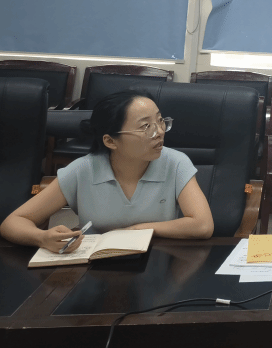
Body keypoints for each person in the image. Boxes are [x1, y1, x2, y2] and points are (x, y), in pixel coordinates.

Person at [0, 90, 214, 253]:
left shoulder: (175, 163)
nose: (159, 132)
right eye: (146, 127)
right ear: (110, 141)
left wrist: (137, 230)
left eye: (160, 121)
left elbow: (203, 225)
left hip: (155, 261)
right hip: (93, 268)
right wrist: (42, 238)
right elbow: (13, 222)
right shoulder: (83, 169)